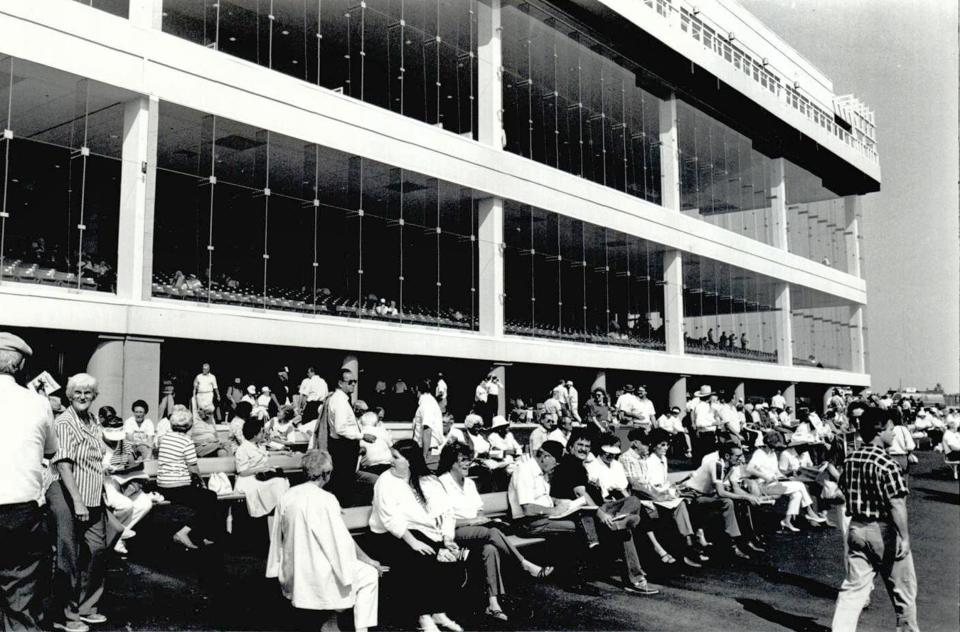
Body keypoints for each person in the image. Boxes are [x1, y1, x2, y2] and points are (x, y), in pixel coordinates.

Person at [266, 450, 385, 632]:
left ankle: (330, 621)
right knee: (369, 574)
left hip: (295, 570)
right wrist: (369, 560)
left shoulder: (287, 495)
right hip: (319, 573)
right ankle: (360, 629)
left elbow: (278, 538)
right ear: (326, 473)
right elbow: (342, 542)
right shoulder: (326, 499)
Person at [436, 442, 552, 621]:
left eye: (469, 460)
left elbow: (479, 510)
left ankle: (493, 604)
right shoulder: (441, 484)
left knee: (489, 549)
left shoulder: (468, 484)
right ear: (451, 462)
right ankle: (523, 564)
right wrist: (472, 521)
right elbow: (444, 520)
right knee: (490, 533)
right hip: (453, 531)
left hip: (477, 530)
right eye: (462, 461)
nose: (467, 464)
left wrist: (481, 519)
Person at [831, 408, 918, 632]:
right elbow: (897, 505)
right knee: (903, 592)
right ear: (879, 431)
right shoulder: (888, 465)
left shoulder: (851, 459)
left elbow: (843, 490)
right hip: (884, 531)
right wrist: (905, 538)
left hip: (857, 528)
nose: (894, 434)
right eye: (890, 429)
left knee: (853, 589)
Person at [367, 440, 464, 632]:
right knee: (423, 557)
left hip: (426, 534)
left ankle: (438, 612)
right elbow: (390, 519)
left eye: (395, 457)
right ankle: (424, 616)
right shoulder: (385, 481)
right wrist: (414, 543)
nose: (390, 461)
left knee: (453, 557)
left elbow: (446, 512)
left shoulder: (428, 480)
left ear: (410, 461)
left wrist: (448, 538)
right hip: (389, 536)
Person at [551, 430, 658, 595]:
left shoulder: (580, 465)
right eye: (579, 445)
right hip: (582, 512)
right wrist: (601, 513)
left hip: (596, 507)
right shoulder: (571, 465)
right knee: (624, 532)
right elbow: (582, 496)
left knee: (634, 501)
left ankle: (618, 521)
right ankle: (635, 579)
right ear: (571, 447)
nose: (583, 449)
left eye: (587, 446)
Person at [47, 373, 114, 632]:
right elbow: (63, 465)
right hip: (68, 494)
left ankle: (87, 607)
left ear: (94, 396)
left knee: (98, 550)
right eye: (78, 393)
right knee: (69, 556)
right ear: (69, 395)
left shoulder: (93, 420)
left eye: (88, 393)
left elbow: (98, 456)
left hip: (94, 495)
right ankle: (66, 615)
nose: (83, 397)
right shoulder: (65, 422)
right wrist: (77, 502)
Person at [0, 332, 57, 631]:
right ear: (18, 365)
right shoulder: (38, 403)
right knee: (21, 593)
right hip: (21, 510)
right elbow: (50, 450)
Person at [623, 429, 708, 567]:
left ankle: (691, 542)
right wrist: (664, 494)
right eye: (662, 445)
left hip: (659, 494)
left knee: (688, 500)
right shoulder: (647, 461)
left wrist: (673, 489)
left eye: (667, 445)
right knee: (680, 506)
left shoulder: (660, 459)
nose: (665, 448)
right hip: (651, 497)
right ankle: (688, 546)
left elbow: (663, 482)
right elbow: (645, 486)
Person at [682, 441, 765, 560]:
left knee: (740, 502)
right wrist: (747, 496)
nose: (741, 459)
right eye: (737, 456)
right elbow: (721, 493)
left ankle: (744, 539)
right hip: (693, 495)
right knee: (728, 502)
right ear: (727, 456)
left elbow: (734, 488)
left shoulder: (730, 467)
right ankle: (733, 543)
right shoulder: (716, 464)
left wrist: (751, 496)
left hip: (707, 495)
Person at [156, 408, 222, 550]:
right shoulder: (186, 442)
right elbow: (193, 469)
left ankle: (199, 535)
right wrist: (203, 484)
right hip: (178, 487)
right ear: (188, 426)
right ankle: (183, 533)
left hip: (163, 485)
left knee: (203, 500)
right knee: (210, 497)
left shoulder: (165, 438)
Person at [744, 431, 827, 532]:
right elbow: (749, 468)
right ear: (766, 444)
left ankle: (787, 521)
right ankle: (810, 512)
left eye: (775, 447)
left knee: (797, 494)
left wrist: (785, 478)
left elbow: (776, 471)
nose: (773, 449)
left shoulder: (772, 454)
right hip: (764, 485)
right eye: (772, 446)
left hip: (775, 483)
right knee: (800, 485)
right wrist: (765, 477)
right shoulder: (759, 453)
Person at [100, 414, 154, 556]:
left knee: (145, 503)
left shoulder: (126, 444)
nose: (115, 442)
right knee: (125, 505)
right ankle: (116, 536)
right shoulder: (97, 444)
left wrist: (122, 469)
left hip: (124, 480)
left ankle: (116, 536)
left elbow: (137, 464)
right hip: (104, 482)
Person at [323, 369, 375, 506]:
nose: (353, 385)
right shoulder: (340, 401)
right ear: (340, 383)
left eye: (355, 382)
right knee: (343, 487)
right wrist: (362, 436)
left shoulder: (342, 399)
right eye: (350, 382)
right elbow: (341, 429)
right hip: (343, 449)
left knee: (343, 485)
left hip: (344, 448)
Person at [234, 416, 291, 534]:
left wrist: (281, 452)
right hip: (249, 479)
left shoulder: (259, 445)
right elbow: (242, 472)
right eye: (261, 432)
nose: (264, 434)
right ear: (254, 435)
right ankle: (281, 512)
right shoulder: (242, 449)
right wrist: (261, 469)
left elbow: (266, 455)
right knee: (278, 483)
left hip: (261, 476)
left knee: (281, 481)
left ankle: (281, 513)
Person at [412, 379, 444, 462]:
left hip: (427, 451)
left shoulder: (427, 404)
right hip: (426, 449)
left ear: (417, 389)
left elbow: (427, 430)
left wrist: (424, 455)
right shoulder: (427, 402)